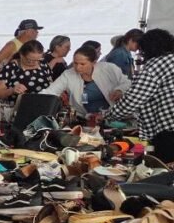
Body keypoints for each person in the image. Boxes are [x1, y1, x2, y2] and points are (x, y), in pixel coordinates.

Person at [104, 29, 174, 160]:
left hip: (168, 130)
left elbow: (134, 99)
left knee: (164, 166)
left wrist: (107, 115)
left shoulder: (156, 66)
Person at [41, 45, 131, 118]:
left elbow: (127, 83)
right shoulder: (68, 74)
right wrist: (36, 100)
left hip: (112, 115)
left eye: (82, 64)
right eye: (75, 63)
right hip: (84, 118)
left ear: (94, 62)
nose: (78, 67)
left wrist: (119, 90)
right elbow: (50, 92)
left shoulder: (109, 68)